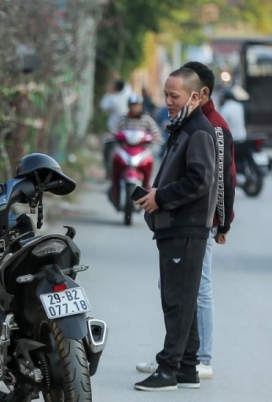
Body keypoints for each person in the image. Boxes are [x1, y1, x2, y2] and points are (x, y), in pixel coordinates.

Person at [136, 62, 237, 380]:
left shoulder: (209, 128)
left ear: (198, 95)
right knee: (181, 290)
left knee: (191, 291)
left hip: (194, 223)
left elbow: (217, 180)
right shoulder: (185, 124)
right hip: (181, 222)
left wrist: (223, 222)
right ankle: (187, 362)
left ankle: (191, 361)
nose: (167, 102)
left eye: (173, 96)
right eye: (165, 95)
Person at [108, 94, 163, 206]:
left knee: (150, 162)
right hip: (125, 150)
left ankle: (147, 186)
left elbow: (156, 133)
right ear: (129, 106)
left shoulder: (146, 120)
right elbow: (114, 132)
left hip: (142, 151)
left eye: (137, 105)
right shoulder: (123, 119)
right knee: (114, 160)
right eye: (133, 105)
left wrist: (156, 137)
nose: (135, 108)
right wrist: (111, 136)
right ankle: (114, 189)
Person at [100, 80, 132, 178]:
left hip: (114, 132)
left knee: (107, 152)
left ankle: (110, 175)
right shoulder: (127, 94)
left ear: (116, 88)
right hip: (127, 131)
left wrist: (108, 93)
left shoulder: (113, 99)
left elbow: (103, 107)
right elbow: (126, 85)